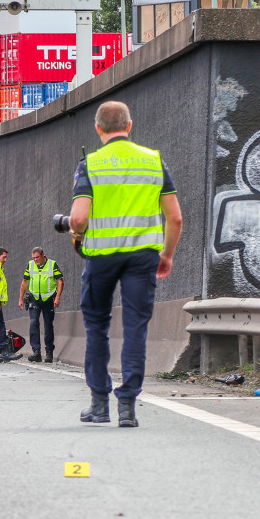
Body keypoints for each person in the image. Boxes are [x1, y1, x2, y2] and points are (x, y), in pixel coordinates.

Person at [66, 101, 183, 427]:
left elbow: (78, 218)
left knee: (97, 328)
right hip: (142, 258)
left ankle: (100, 404)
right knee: (135, 329)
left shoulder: (90, 164)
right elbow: (175, 217)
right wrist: (167, 254)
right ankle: (128, 407)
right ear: (129, 126)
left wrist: (76, 231)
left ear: (98, 129)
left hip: (102, 259)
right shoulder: (154, 161)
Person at [17, 247, 63, 363]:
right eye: (33, 258)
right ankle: (36, 352)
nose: (35, 260)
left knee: (48, 325)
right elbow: (25, 282)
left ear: (43, 255)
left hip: (48, 299)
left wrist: (57, 297)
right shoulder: (30, 265)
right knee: (33, 323)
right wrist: (21, 298)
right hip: (34, 298)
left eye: (37, 257)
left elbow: (60, 281)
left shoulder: (52, 264)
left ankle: (49, 353)